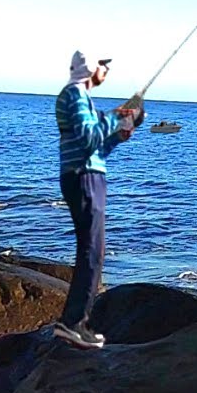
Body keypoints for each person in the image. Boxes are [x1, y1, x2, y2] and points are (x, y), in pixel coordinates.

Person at [52, 51, 142, 349]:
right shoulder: (74, 95)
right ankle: (72, 324)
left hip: (88, 173)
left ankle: (77, 322)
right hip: (83, 178)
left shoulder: (81, 98)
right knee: (92, 250)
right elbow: (90, 138)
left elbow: (97, 148)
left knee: (92, 250)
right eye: (103, 66)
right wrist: (117, 116)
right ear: (90, 68)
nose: (106, 70)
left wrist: (120, 134)